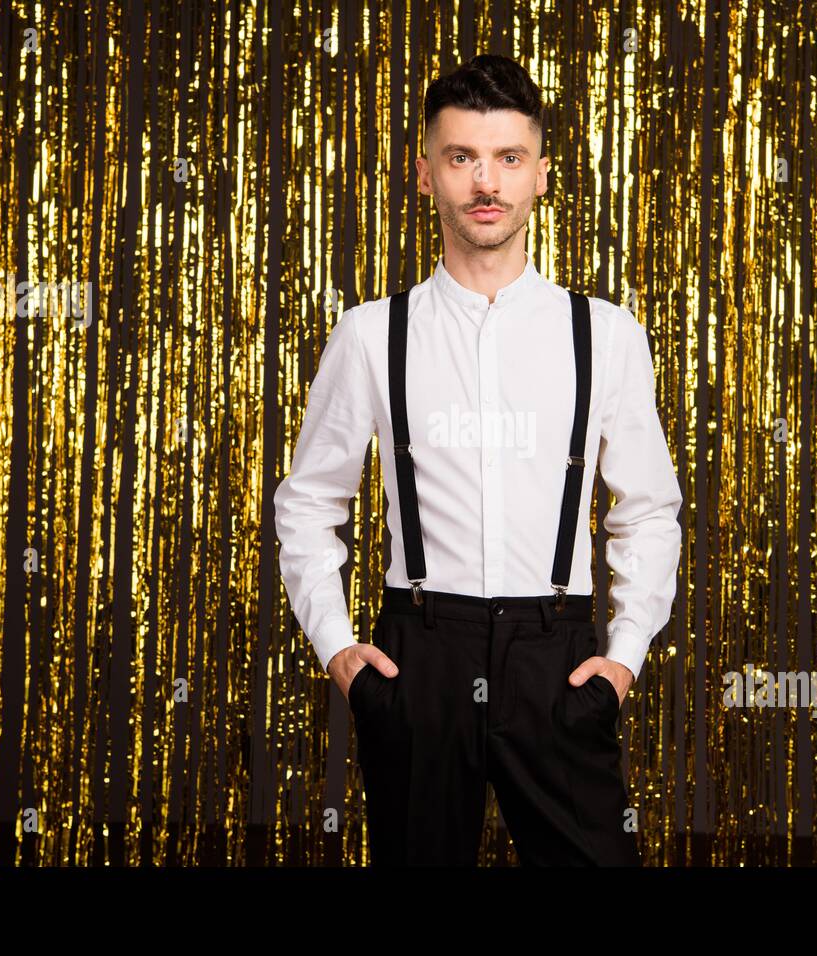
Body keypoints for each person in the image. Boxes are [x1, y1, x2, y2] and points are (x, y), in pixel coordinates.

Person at [274, 53, 682, 865]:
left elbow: (647, 511)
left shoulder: (605, 335)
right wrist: (339, 650)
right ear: (425, 174)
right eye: (461, 158)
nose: (485, 182)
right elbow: (308, 502)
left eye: (507, 158)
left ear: (541, 175)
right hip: (420, 654)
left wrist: (623, 660)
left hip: (556, 658)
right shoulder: (369, 335)